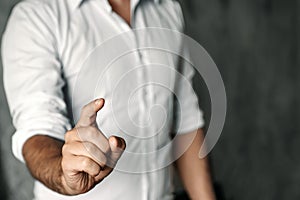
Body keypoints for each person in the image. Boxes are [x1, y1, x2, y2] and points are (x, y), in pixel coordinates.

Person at [2, 0, 216, 199]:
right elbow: (37, 130)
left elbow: (185, 122)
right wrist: (64, 176)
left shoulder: (167, 8)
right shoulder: (37, 16)